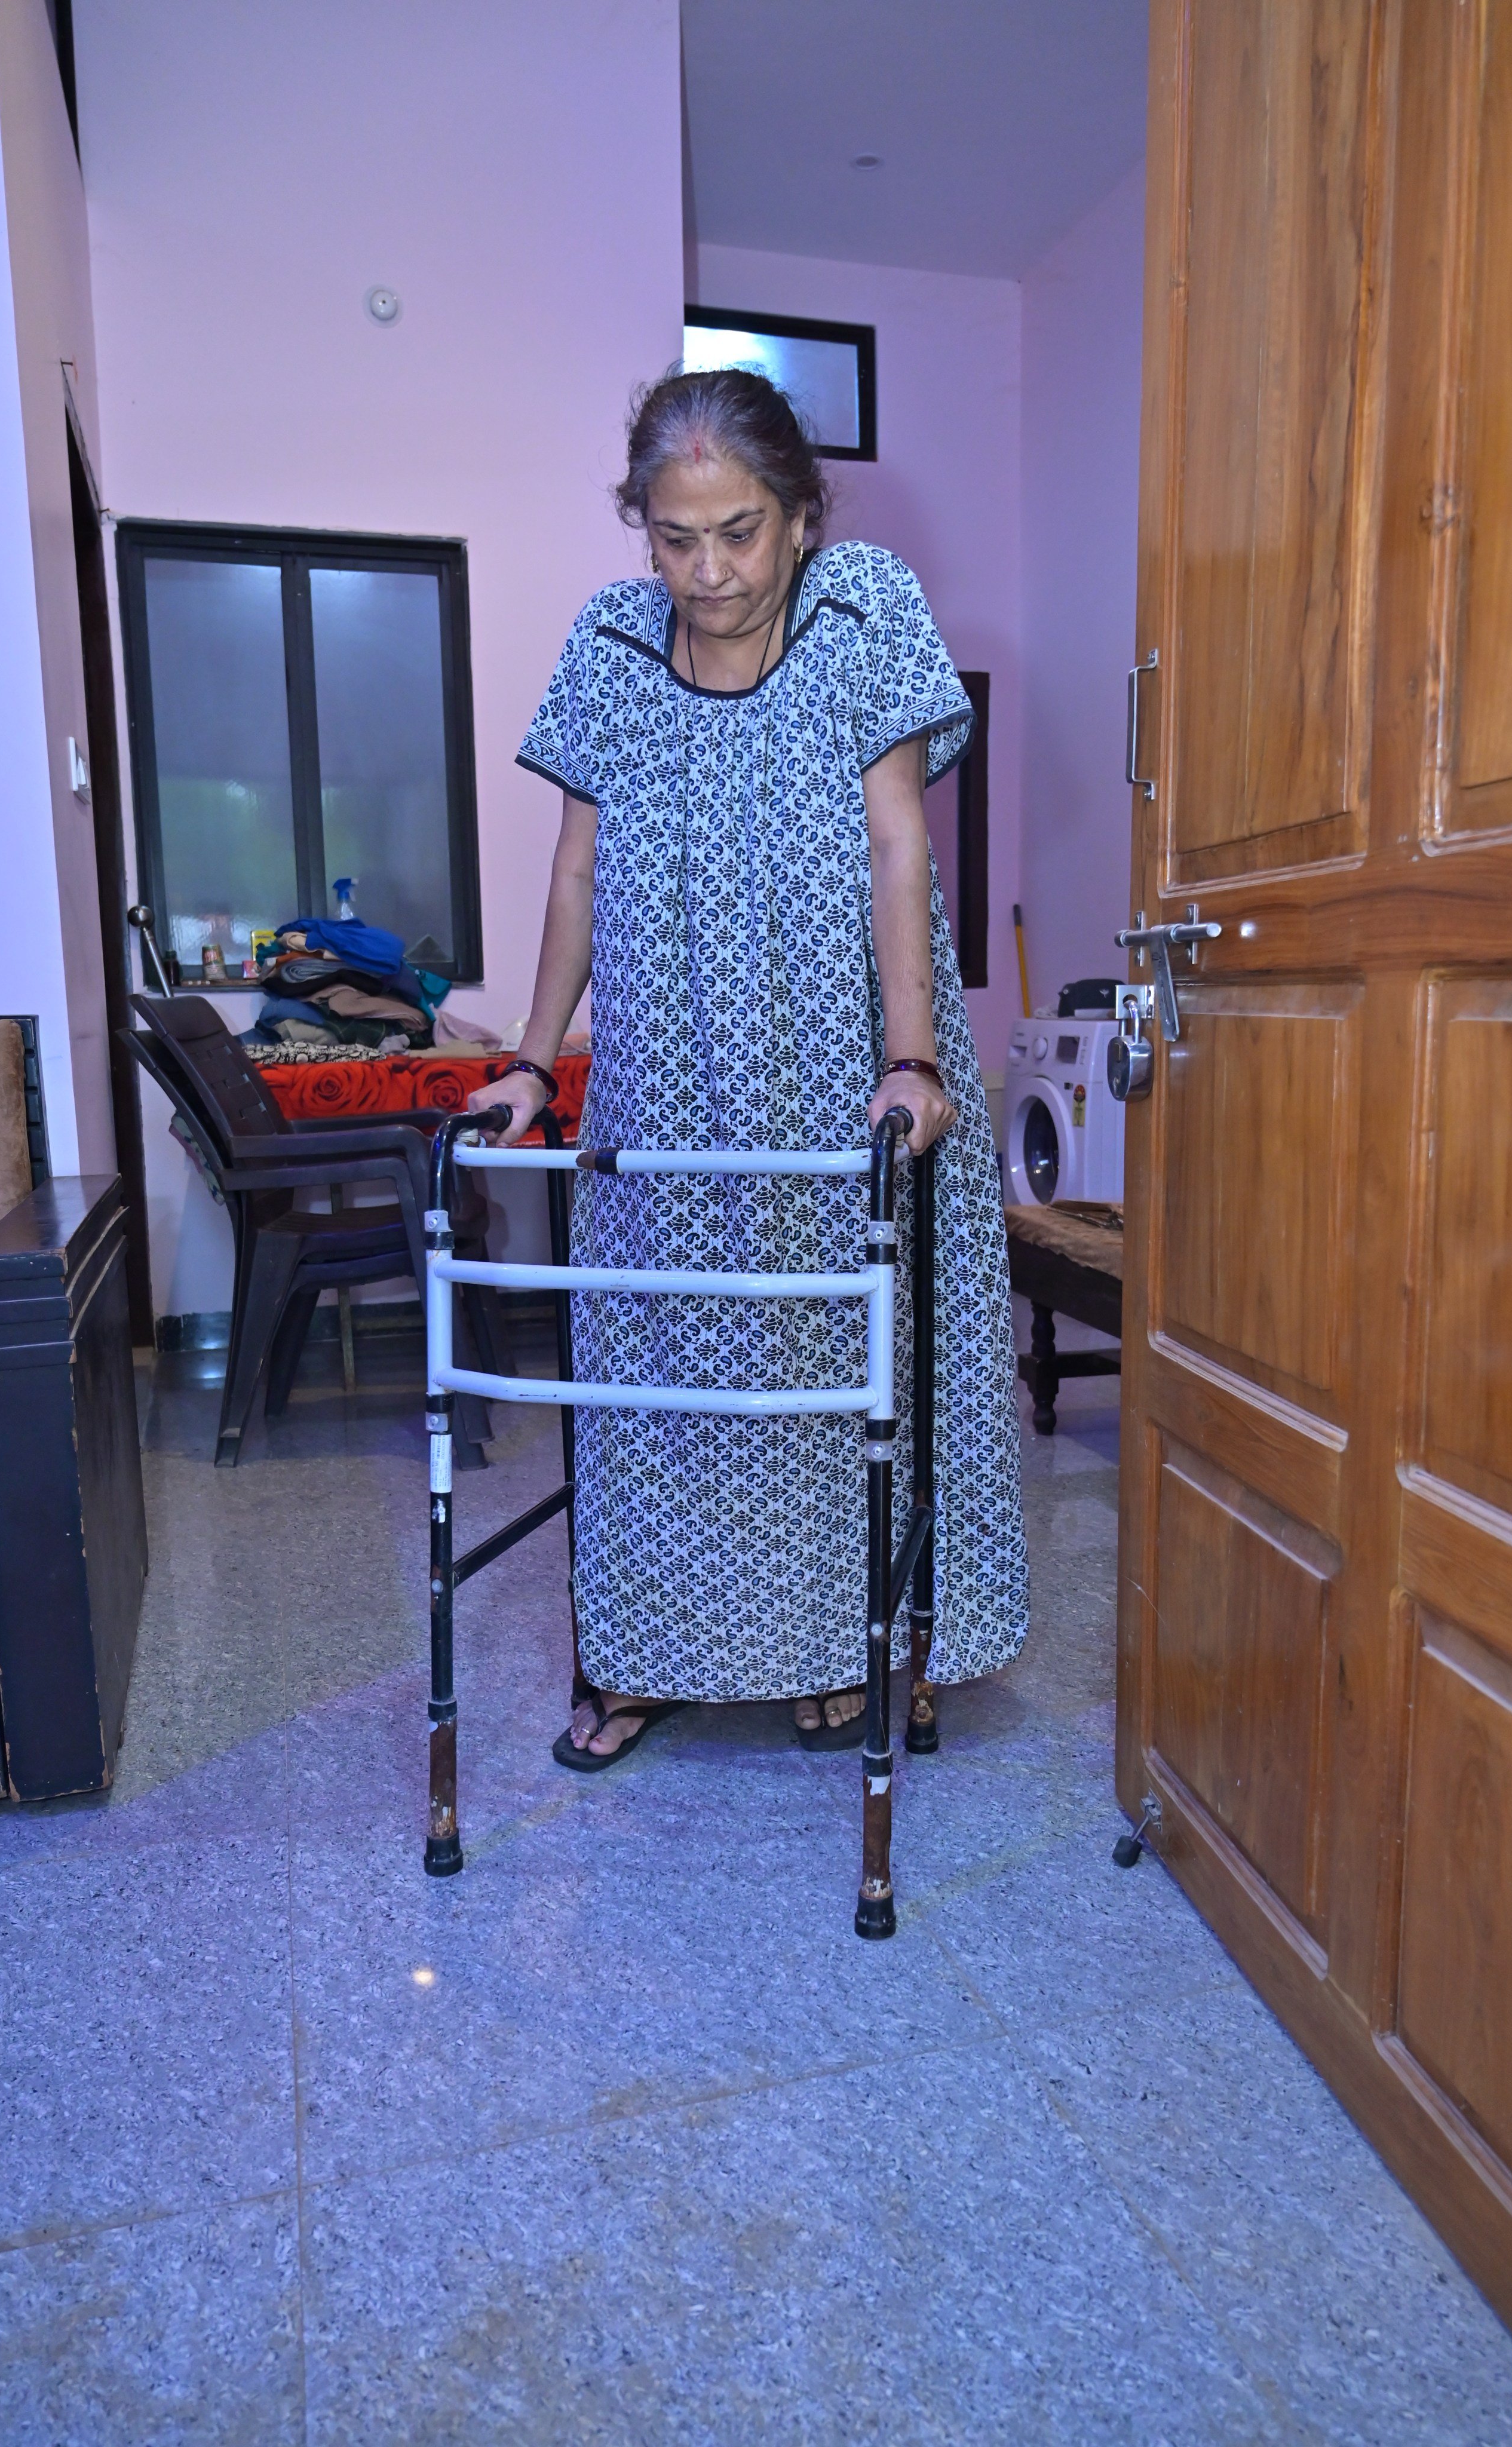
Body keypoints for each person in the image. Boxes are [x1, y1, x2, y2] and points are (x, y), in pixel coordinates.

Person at [471, 367, 1028, 1763]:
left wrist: (912, 1056)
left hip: (842, 1048)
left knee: (843, 1360)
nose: (707, 569)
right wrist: (535, 1061)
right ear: (639, 531)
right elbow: (576, 871)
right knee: (662, 1370)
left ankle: (845, 1641)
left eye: (738, 530)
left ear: (796, 516)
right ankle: (650, 1650)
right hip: (670, 1071)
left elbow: (900, 835)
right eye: (674, 536)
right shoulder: (607, 640)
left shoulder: (865, 610)